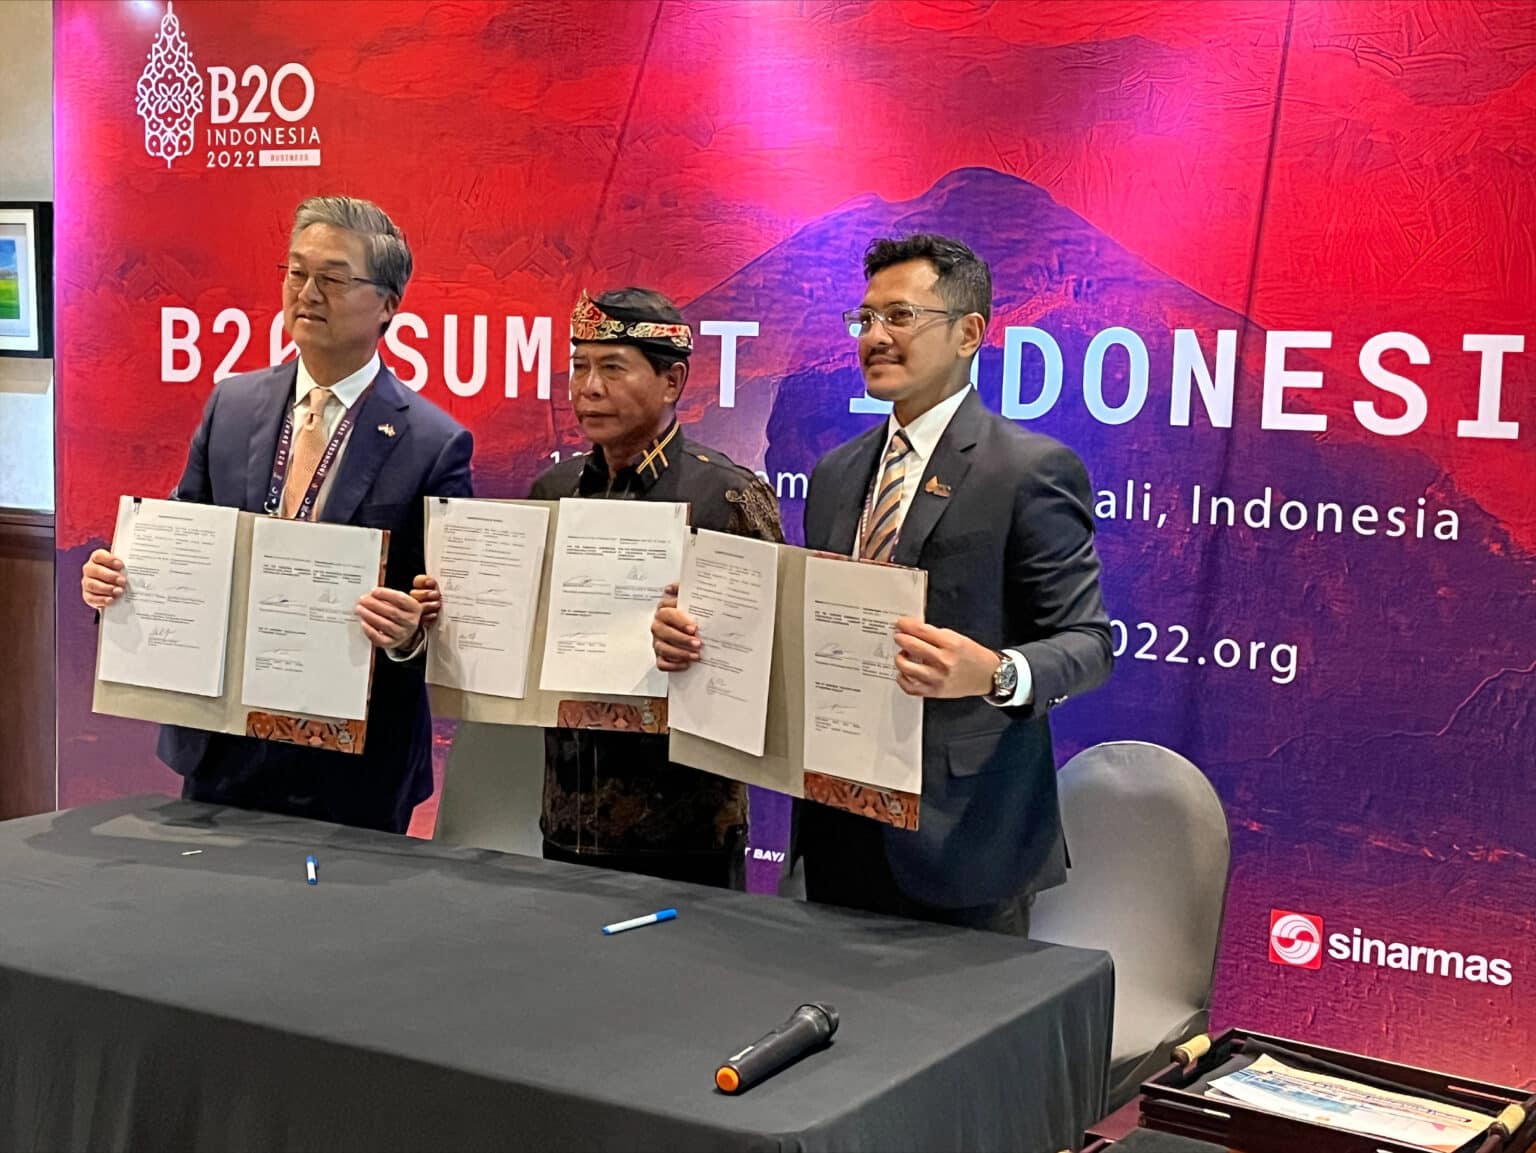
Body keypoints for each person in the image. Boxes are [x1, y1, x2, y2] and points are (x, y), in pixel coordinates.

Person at [653, 234, 1112, 934]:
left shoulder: (1028, 469)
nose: (874, 337)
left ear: (969, 333)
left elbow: (1088, 642)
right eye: (864, 319)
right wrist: (709, 635)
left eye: (900, 317)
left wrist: (996, 671)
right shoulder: (837, 471)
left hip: (963, 838)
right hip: (838, 825)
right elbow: (817, 625)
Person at [81, 195, 473, 833]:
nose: (308, 292)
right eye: (297, 273)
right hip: (225, 744)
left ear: (388, 306)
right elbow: (187, 535)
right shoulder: (231, 405)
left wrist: (409, 634)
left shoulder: (434, 443)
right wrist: (122, 581)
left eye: (334, 277)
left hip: (353, 757)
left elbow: (448, 611)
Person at [523, 287, 782, 887]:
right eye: (579, 366)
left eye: (612, 368)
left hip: (687, 838)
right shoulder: (552, 492)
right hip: (566, 823)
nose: (588, 387)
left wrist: (700, 649)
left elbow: (772, 667)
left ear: (672, 383)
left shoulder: (728, 498)